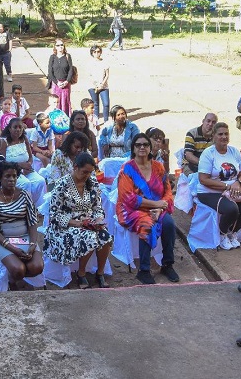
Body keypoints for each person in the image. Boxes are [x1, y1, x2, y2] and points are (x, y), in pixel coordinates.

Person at [116, 134, 179, 285]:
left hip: (157, 207)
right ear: (133, 149)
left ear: (150, 148)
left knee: (169, 224)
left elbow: (167, 192)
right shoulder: (127, 169)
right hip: (132, 210)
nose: (142, 147)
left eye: (145, 144)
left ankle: (167, 264)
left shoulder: (158, 167)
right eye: (138, 145)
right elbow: (128, 199)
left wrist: (161, 207)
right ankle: (144, 270)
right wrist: (156, 205)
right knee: (147, 224)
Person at [45, 152, 113, 288]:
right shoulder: (62, 185)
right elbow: (54, 215)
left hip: (88, 222)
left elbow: (97, 206)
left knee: (105, 236)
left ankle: (100, 273)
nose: (87, 175)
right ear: (75, 167)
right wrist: (76, 223)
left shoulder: (92, 182)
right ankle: (81, 274)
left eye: (90, 172)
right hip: (64, 226)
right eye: (84, 172)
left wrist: (98, 219)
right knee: (89, 237)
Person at [0, 162, 44, 290]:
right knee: (18, 269)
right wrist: (13, 249)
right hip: (1, 238)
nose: (11, 179)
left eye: (14, 176)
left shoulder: (25, 195)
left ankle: (19, 278)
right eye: (7, 176)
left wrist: (32, 245)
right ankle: (12, 280)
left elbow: (32, 222)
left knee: (37, 267)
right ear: (0, 178)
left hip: (24, 235)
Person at [196, 122, 241, 251]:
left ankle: (231, 232)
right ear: (214, 136)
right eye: (220, 134)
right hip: (209, 192)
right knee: (231, 209)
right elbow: (203, 180)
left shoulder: (234, 151)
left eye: (226, 134)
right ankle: (221, 234)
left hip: (233, 189)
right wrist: (227, 186)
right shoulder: (208, 154)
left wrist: (238, 183)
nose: (224, 137)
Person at [46, 40, 74, 115]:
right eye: (58, 45)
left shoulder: (67, 56)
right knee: (55, 102)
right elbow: (50, 72)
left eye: (61, 45)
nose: (60, 47)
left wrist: (67, 81)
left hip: (65, 84)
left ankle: (66, 118)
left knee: (65, 102)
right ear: (55, 47)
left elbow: (71, 70)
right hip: (56, 84)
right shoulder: (52, 57)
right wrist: (57, 82)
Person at [86, 45, 110, 123]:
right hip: (93, 86)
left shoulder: (104, 62)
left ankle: (106, 121)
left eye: (98, 51)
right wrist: (96, 84)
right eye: (94, 52)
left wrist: (102, 84)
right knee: (95, 104)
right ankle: (96, 121)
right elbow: (89, 75)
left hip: (104, 86)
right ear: (92, 53)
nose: (96, 53)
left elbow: (107, 74)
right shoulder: (89, 63)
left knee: (106, 103)